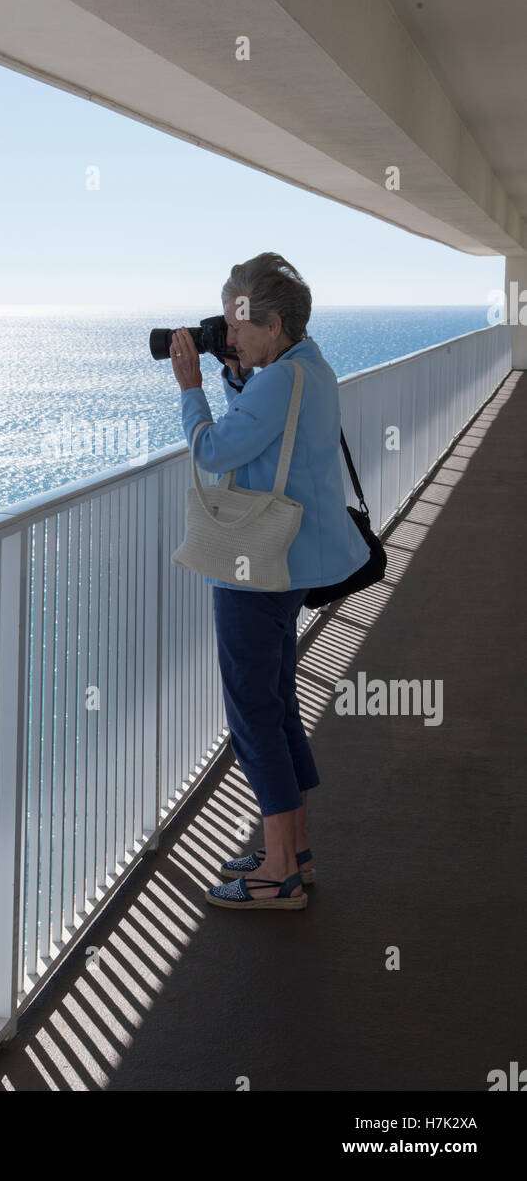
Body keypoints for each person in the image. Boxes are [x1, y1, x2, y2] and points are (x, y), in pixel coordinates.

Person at [169, 252, 370, 909]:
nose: (228, 336)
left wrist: (189, 386)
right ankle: (293, 851)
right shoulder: (305, 366)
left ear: (274, 324)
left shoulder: (279, 381)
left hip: (256, 570)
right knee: (276, 707)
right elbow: (264, 429)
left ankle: (278, 873)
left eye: (237, 325)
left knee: (253, 715)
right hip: (290, 565)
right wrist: (234, 378)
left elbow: (212, 451)